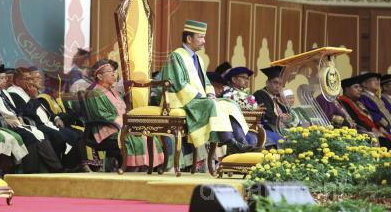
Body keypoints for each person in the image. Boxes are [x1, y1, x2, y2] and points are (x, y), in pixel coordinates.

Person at [158, 20, 254, 154]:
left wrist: (210, 94)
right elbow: (177, 83)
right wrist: (200, 97)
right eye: (201, 37)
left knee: (230, 104)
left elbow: (207, 82)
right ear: (189, 39)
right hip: (182, 101)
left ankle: (242, 143)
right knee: (212, 104)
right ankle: (230, 142)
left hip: (200, 100)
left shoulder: (198, 58)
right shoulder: (177, 56)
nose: (204, 41)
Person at [85, 59, 164, 171]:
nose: (114, 74)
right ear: (99, 76)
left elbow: (122, 110)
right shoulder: (95, 93)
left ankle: (146, 167)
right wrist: (126, 123)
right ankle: (131, 168)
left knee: (148, 134)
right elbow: (102, 115)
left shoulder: (113, 90)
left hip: (121, 126)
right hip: (108, 130)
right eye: (110, 72)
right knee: (139, 137)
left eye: (114, 71)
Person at [0, 65, 63, 173]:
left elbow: (14, 108)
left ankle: (54, 169)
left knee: (41, 135)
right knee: (29, 137)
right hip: (4, 124)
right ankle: (32, 173)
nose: (5, 80)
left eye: (5, 78)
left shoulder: (3, 92)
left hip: (16, 122)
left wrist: (19, 116)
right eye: (1, 78)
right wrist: (5, 120)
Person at [8, 68, 88, 171]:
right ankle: (64, 167)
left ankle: (73, 166)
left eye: (31, 79)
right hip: (37, 124)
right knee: (64, 136)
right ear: (18, 81)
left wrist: (56, 118)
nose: (30, 82)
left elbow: (46, 111)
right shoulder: (14, 93)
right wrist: (33, 97)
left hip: (49, 122)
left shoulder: (26, 91)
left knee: (76, 135)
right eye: (27, 79)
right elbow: (27, 112)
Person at [338, 75, 391, 147]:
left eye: (360, 87)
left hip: (373, 129)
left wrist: (379, 127)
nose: (360, 89)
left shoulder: (358, 103)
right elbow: (355, 119)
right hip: (361, 131)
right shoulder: (343, 101)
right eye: (356, 87)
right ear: (347, 89)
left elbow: (369, 117)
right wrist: (372, 129)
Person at [253, 66, 287, 146]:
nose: (278, 86)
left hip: (279, 129)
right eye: (275, 82)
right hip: (266, 128)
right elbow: (267, 114)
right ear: (267, 83)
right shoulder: (260, 94)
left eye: (280, 84)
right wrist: (280, 119)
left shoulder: (277, 99)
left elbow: (286, 113)